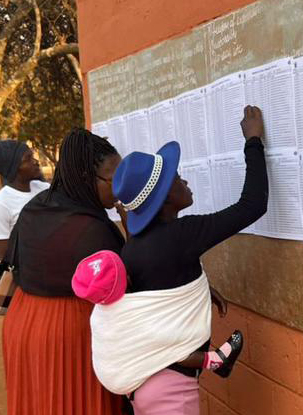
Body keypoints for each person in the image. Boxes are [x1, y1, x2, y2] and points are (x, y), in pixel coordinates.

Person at [114, 105, 268, 413]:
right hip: (171, 390)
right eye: (178, 178)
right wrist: (253, 141)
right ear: (165, 196)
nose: (186, 182)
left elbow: (160, 291)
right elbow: (252, 205)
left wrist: (200, 291)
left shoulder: (133, 248)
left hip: (146, 385)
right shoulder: (182, 235)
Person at [1, 128, 125, 414]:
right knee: (77, 401)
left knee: (39, 402)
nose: (120, 187)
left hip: (23, 322)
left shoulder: (36, 207)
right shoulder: (93, 229)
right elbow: (123, 288)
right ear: (86, 179)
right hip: (70, 332)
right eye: (114, 179)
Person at [70, 250, 242, 399]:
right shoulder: (130, 310)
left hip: (111, 376)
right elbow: (159, 333)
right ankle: (217, 361)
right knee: (177, 348)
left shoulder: (99, 311)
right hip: (132, 381)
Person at [0, 139, 48, 261]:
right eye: (28, 159)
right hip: (28, 274)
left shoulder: (44, 189)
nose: (35, 162)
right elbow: (0, 258)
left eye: (33, 157)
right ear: (13, 168)